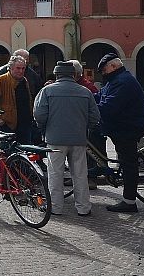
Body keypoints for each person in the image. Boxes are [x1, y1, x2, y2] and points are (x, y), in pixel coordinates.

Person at [35, 61, 100, 217]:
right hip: (78, 138)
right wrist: (85, 128)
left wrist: (44, 128)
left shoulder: (47, 91)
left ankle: (55, 207)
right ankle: (83, 207)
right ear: (74, 75)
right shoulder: (85, 92)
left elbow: (39, 115)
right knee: (80, 174)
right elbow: (95, 117)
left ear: (56, 75)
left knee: (55, 174)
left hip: (55, 139)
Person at [97, 54, 144, 212]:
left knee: (129, 165)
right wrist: (85, 97)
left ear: (113, 67)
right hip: (121, 127)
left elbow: (109, 107)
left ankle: (129, 202)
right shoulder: (116, 80)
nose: (103, 73)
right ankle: (99, 168)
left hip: (127, 129)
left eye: (104, 70)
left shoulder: (123, 82)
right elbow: (101, 96)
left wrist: (89, 106)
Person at [0, 57, 38, 146]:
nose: (21, 71)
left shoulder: (24, 80)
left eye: (23, 68)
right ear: (11, 68)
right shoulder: (0, 80)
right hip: (8, 124)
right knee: (8, 153)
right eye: (18, 68)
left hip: (25, 123)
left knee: (25, 152)